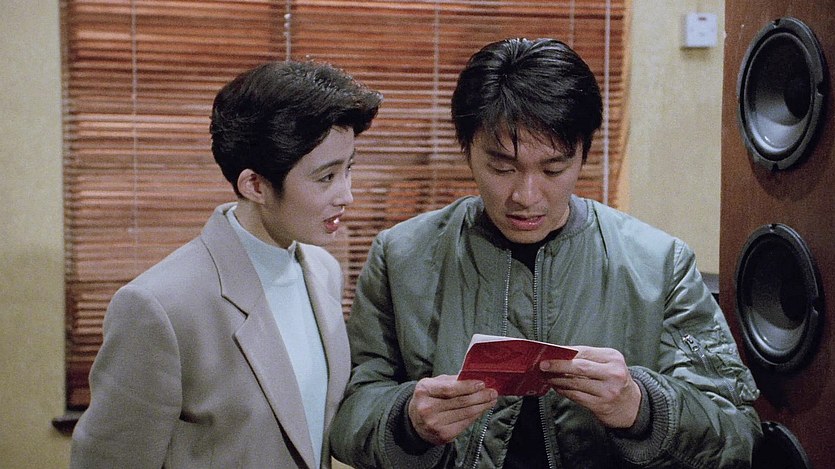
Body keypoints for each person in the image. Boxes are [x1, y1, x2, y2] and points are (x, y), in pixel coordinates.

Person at [330, 38, 761, 468]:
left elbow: (737, 433)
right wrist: (408, 422)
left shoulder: (659, 264)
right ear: (468, 151)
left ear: (583, 155)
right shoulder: (402, 256)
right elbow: (348, 416)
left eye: (554, 169)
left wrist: (640, 406)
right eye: (502, 168)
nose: (526, 196)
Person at [70, 60, 382, 469]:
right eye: (326, 177)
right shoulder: (159, 306)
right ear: (255, 185)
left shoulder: (323, 270)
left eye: (348, 169)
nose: (347, 195)